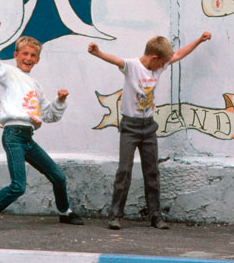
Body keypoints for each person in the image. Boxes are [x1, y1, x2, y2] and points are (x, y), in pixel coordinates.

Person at [0, 20, 83, 232]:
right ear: (16, 55)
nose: (28, 58)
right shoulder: (8, 74)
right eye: (24, 54)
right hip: (13, 135)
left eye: (33, 56)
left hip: (27, 137)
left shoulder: (35, 85)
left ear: (37, 60)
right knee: (18, 186)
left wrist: (60, 101)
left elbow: (48, 115)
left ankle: (65, 212)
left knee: (58, 176)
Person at [88, 31, 212, 230]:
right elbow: (115, 60)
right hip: (130, 127)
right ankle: (115, 215)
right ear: (155, 58)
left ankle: (155, 215)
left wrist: (199, 40)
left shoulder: (159, 67)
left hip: (149, 127)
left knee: (152, 172)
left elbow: (179, 54)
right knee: (124, 171)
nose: (163, 67)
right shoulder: (132, 66)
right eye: (162, 63)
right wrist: (97, 52)